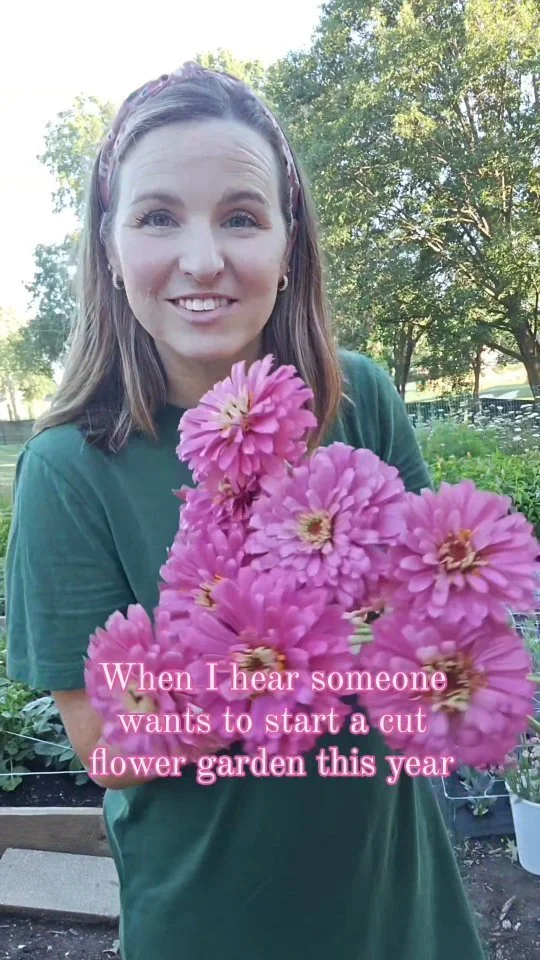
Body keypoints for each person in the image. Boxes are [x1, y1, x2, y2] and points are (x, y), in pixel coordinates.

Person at [5, 63, 486, 960]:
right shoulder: (68, 469)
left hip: (397, 902)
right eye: (158, 217)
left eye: (240, 216)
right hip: (213, 924)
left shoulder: (357, 399)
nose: (202, 260)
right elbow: (107, 747)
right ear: (109, 246)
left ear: (288, 242)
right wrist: (271, 651)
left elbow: (444, 630)